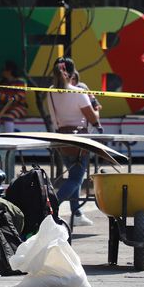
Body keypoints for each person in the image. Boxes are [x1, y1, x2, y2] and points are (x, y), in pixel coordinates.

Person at [45, 57, 99, 228]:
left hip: (61, 138)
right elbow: (93, 117)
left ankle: (76, 212)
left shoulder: (50, 92)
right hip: (80, 141)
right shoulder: (78, 92)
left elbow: (53, 118)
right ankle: (52, 208)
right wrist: (96, 113)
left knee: (73, 175)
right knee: (76, 178)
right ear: (72, 73)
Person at [0, 61, 29, 133]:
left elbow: (19, 97)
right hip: (4, 108)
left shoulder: (20, 82)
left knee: (8, 117)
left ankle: (9, 138)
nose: (2, 72)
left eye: (3, 70)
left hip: (20, 107)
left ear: (9, 71)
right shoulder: (2, 82)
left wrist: (4, 97)